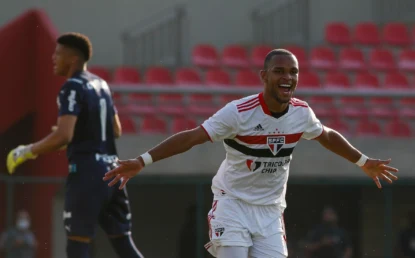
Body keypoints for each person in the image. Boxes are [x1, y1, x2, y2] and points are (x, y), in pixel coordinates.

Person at [102, 49, 398, 258]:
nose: (287, 77)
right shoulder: (238, 113)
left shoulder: (301, 113)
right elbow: (192, 137)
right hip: (233, 205)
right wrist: (142, 161)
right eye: (279, 71)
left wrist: (363, 161)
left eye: (293, 72)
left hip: (270, 212)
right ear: (264, 76)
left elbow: (327, 136)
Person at [6, 33, 144, 258]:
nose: (53, 58)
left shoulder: (71, 87)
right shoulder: (101, 84)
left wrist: (27, 151)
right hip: (114, 170)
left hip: (87, 172)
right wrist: (76, 133)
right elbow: (116, 130)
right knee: (123, 244)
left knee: (78, 244)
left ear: (72, 59)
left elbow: (63, 136)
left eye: (58, 53)